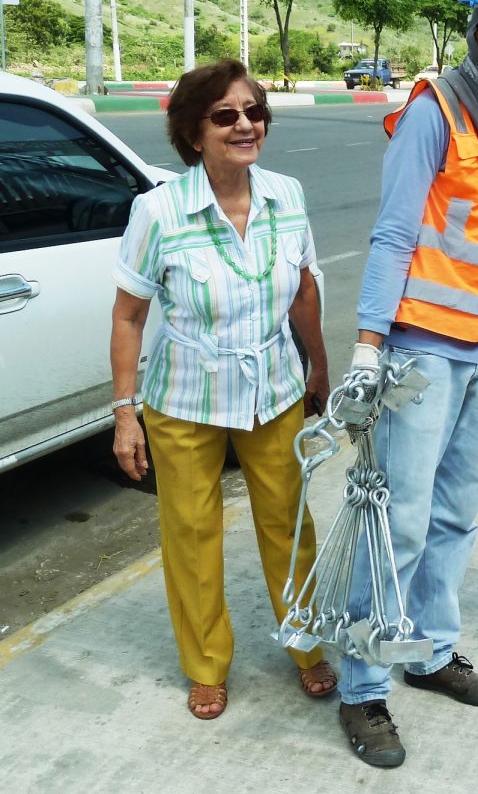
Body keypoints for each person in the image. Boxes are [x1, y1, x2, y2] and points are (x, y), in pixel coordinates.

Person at [335, 0, 478, 768]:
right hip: (422, 345)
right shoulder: (437, 108)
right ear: (475, 26)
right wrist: (367, 344)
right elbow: (395, 231)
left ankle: (428, 652)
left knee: (456, 514)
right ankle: (363, 686)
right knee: (395, 519)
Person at [109, 59, 336, 720]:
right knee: (191, 530)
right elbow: (128, 316)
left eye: (255, 111)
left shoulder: (287, 194)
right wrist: (126, 414)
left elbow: (305, 290)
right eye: (226, 115)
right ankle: (206, 664)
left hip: (273, 387)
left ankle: (306, 643)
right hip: (184, 400)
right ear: (194, 131)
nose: (246, 125)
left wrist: (319, 367)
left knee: (290, 524)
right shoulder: (158, 210)